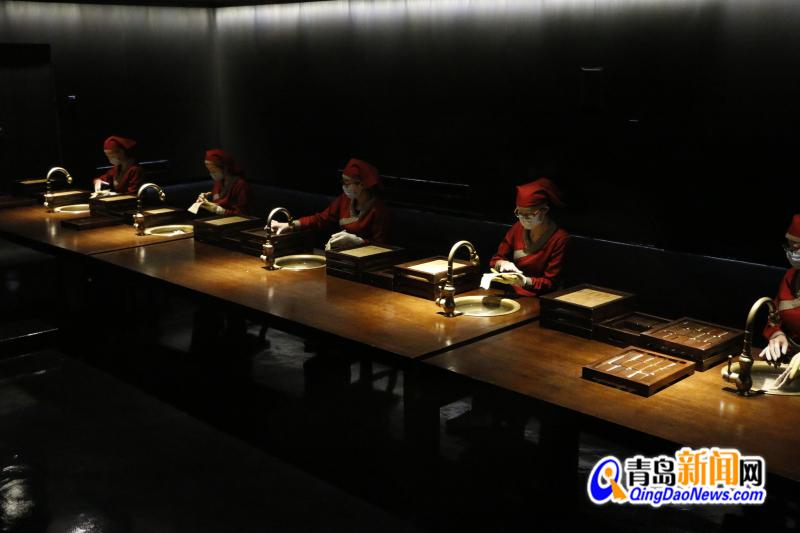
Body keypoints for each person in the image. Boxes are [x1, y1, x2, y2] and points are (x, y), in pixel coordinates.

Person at [272, 158, 389, 249]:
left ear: (361, 184)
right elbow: (321, 219)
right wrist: (291, 225)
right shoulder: (344, 200)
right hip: (341, 255)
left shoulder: (378, 210)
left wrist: (359, 242)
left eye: (347, 183)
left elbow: (381, 247)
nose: (344, 186)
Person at [489, 177, 569, 296]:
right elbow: (496, 259)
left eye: (529, 214)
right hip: (512, 292)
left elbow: (551, 283)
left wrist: (525, 281)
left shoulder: (559, 239)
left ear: (544, 210)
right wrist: (502, 264)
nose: (523, 219)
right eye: (519, 213)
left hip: (541, 297)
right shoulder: (517, 228)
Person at [761, 214, 800, 386]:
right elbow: (775, 312)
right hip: (790, 359)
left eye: (797, 249)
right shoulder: (791, 276)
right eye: (790, 248)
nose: (793, 254)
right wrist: (776, 333)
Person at [196, 149, 250, 215]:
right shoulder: (219, 181)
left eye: (213, 170)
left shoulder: (240, 185)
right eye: (209, 170)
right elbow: (217, 198)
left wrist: (219, 210)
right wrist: (207, 198)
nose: (211, 173)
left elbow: (243, 214)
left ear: (225, 168)